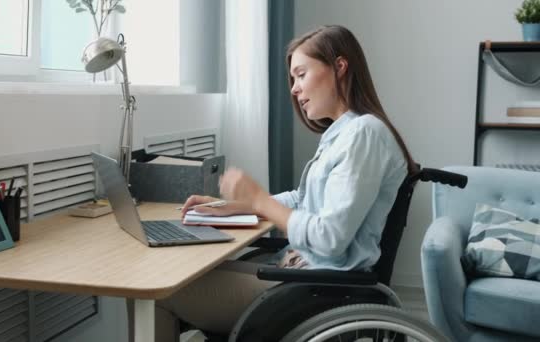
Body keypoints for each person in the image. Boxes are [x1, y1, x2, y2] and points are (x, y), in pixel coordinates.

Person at [153, 25, 416, 341]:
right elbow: (305, 198)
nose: (294, 88)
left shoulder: (364, 134)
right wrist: (234, 206)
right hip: (305, 277)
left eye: (301, 74)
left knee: (159, 289)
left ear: (340, 67)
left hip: (318, 290)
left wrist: (261, 201)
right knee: (180, 277)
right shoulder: (345, 133)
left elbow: (330, 237)